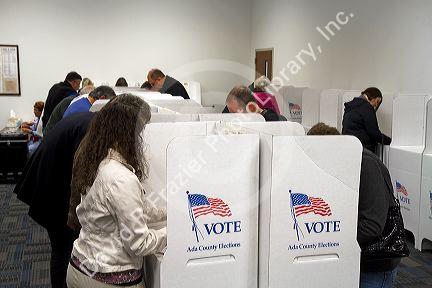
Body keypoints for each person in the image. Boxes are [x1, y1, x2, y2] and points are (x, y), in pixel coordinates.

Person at [66, 94, 166, 288]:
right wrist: (174, 232)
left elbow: (135, 208)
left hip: (80, 267)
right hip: (109, 278)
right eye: (140, 131)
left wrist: (168, 212)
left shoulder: (95, 160)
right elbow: (139, 244)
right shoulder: (121, 178)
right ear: (128, 132)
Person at [307, 122, 401, 288]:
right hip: (354, 256)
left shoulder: (366, 166)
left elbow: (372, 226)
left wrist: (327, 236)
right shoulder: (344, 164)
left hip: (375, 262)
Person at [14, 112, 96, 288]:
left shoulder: (87, 119)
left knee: (61, 247)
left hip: (48, 181)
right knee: (63, 248)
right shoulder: (90, 128)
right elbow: (79, 171)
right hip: (51, 191)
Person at [342, 87, 391, 152]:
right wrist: (391, 141)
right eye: (377, 102)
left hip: (349, 146)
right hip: (363, 149)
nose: (376, 105)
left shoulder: (350, 106)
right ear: (372, 96)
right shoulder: (367, 107)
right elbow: (374, 133)